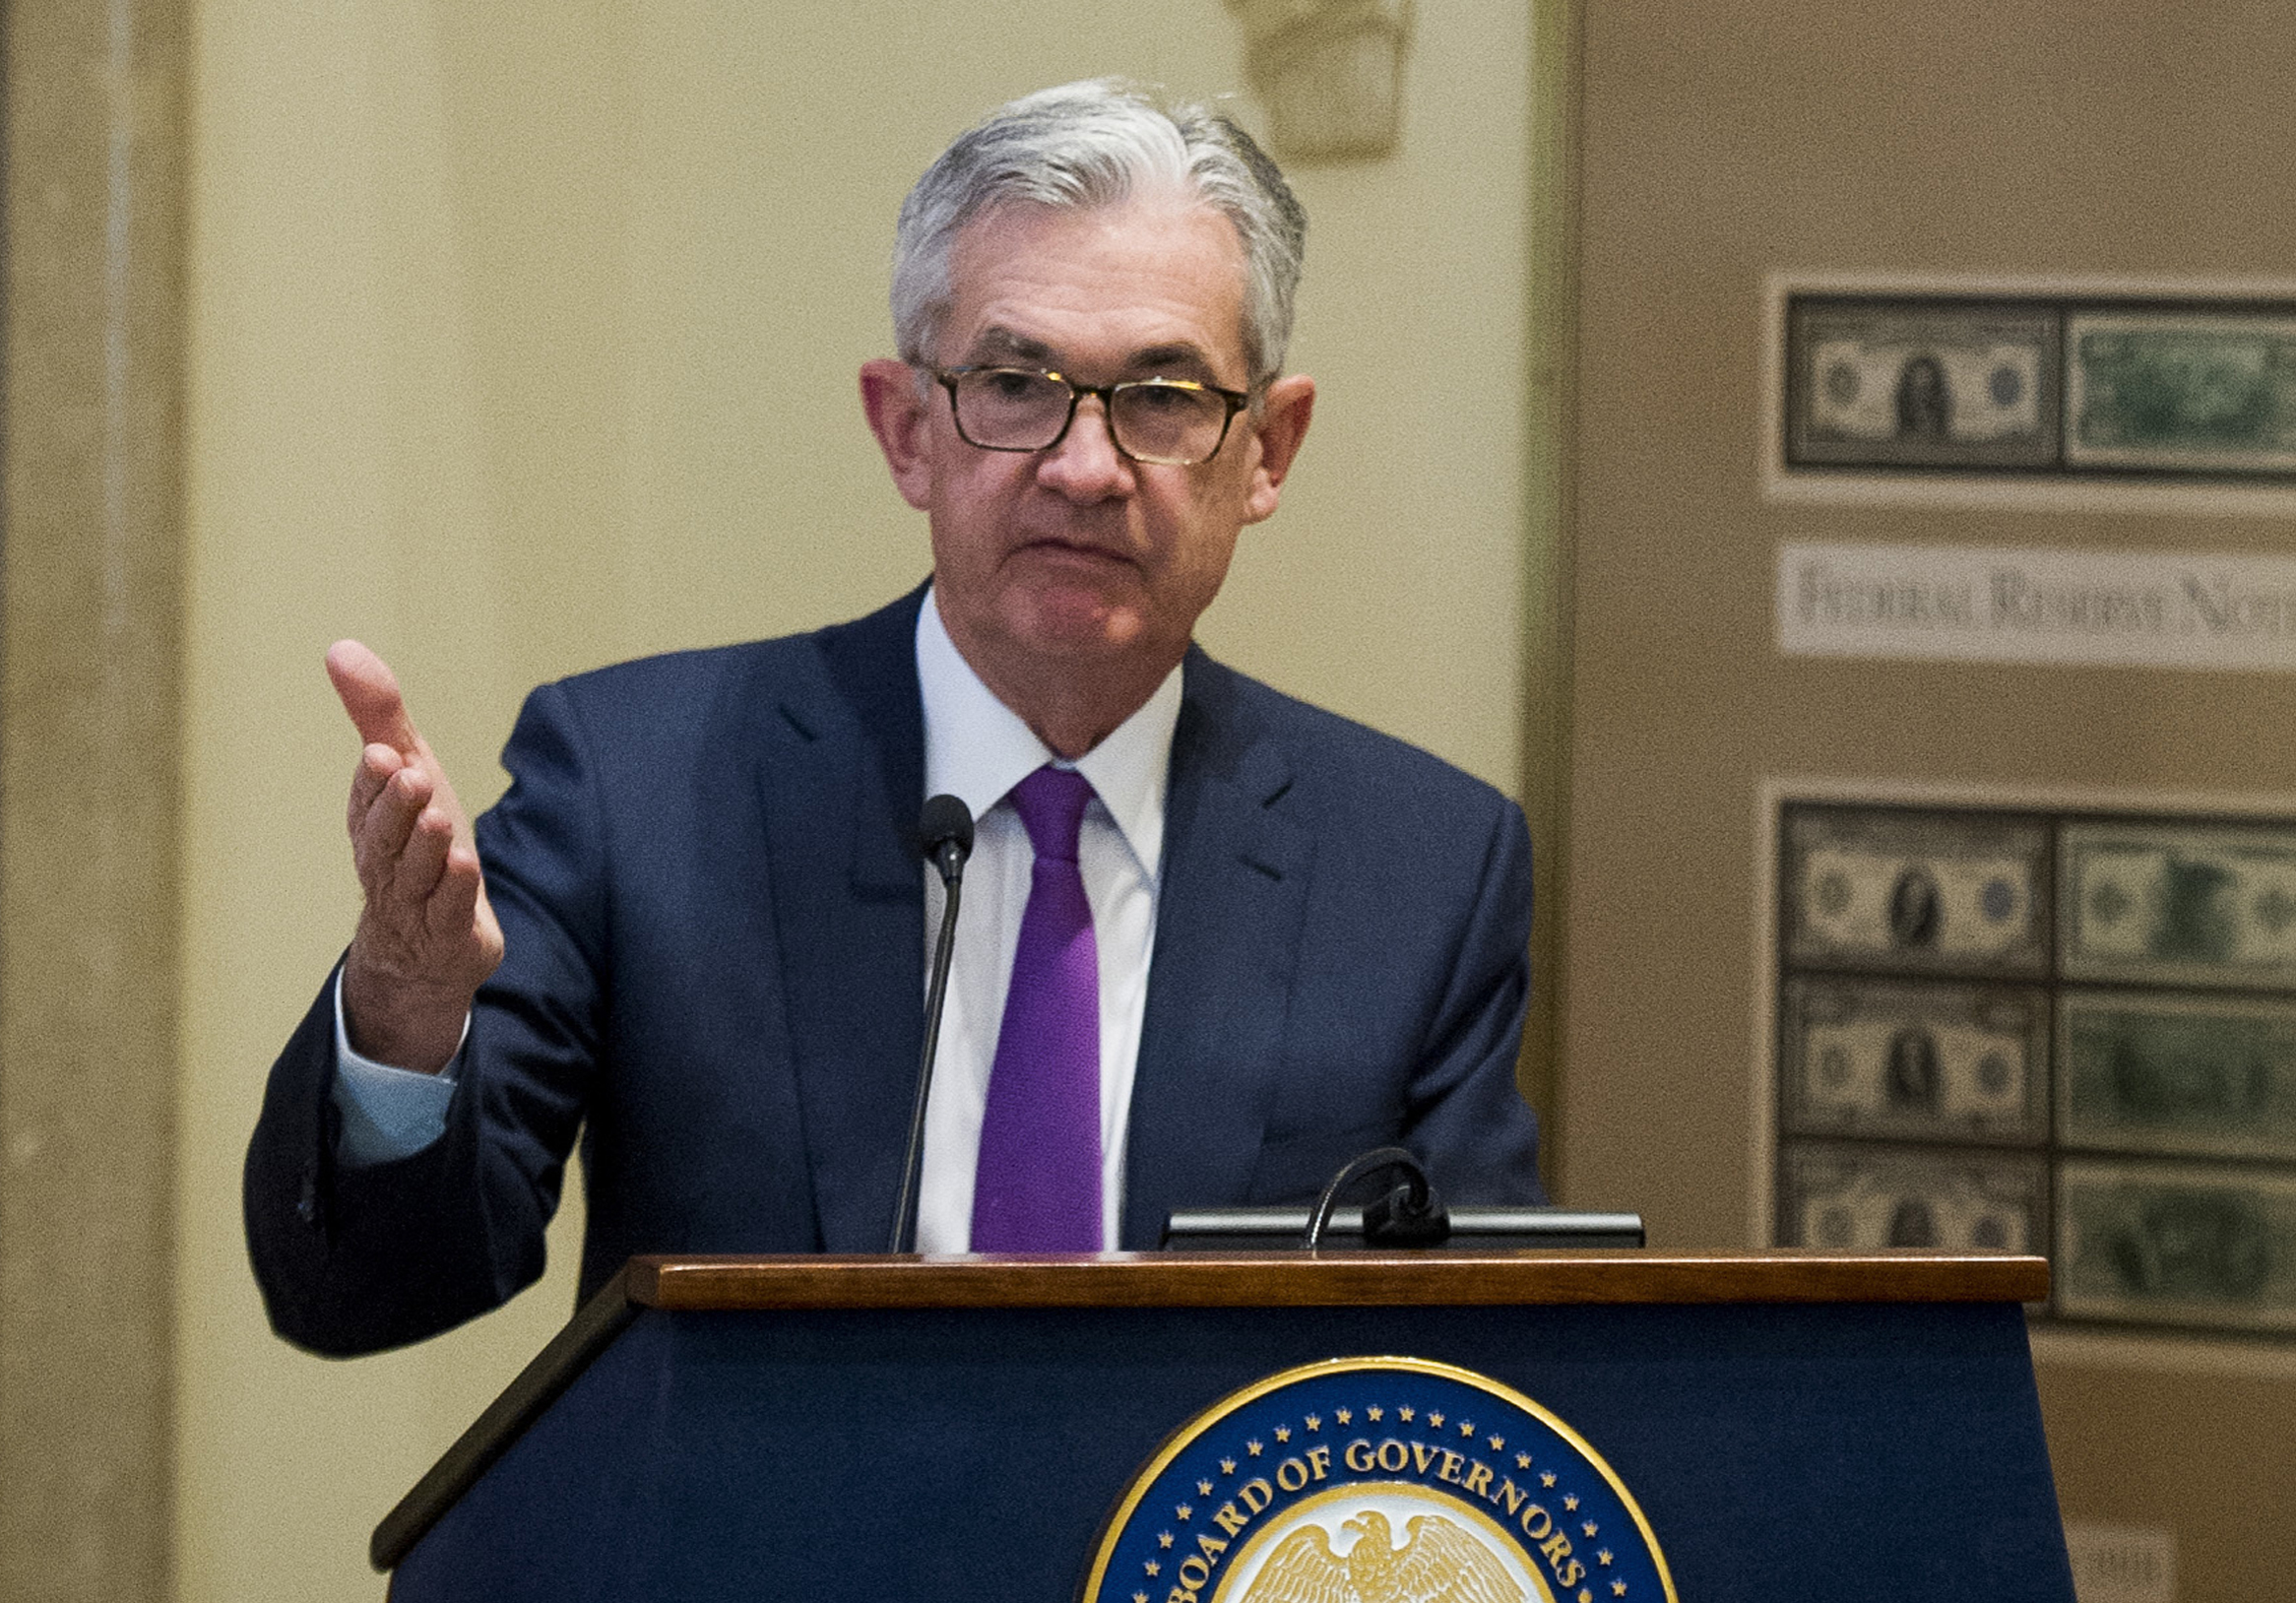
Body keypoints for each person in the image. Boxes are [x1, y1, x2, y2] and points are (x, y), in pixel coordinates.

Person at [246, 80, 1545, 1357]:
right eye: (1016, 383)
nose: (1084, 468)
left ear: (1268, 450)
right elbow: (369, 1294)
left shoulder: (1422, 868)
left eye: (1162, 397)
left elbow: (1487, 1367)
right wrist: (408, 1015)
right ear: (905, 429)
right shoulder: (636, 790)